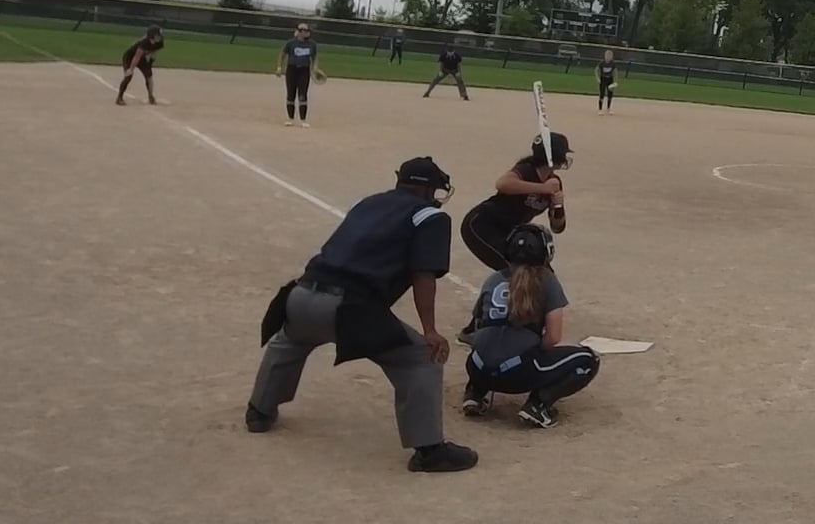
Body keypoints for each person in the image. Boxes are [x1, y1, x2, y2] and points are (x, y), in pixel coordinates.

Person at [245, 157, 479, 473]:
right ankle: (430, 451)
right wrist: (430, 330)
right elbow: (423, 275)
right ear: (429, 189)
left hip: (299, 295)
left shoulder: (367, 203)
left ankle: (258, 411)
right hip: (348, 309)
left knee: (289, 341)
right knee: (420, 358)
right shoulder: (429, 216)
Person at [462, 223, 601, 429]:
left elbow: (476, 328)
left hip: (476, 368)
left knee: (490, 347)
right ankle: (538, 406)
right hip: (517, 375)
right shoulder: (547, 281)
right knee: (588, 360)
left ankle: (474, 392)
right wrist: (531, 349)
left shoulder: (493, 279)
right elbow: (553, 338)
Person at [458, 134, 572, 338]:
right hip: (482, 225)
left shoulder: (554, 182)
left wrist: (558, 205)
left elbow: (558, 227)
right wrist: (542, 188)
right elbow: (503, 184)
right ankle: (474, 328)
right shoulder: (526, 170)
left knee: (542, 272)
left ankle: (532, 321)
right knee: (514, 271)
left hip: (511, 233)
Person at [275, 22, 327, 127]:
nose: (308, 33)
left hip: (304, 70)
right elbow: (283, 54)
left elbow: (315, 56)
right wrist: (279, 67)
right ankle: (290, 118)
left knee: (303, 94)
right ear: (300, 32)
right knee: (291, 93)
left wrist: (315, 67)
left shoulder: (312, 44)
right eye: (305, 31)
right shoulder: (291, 43)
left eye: (308, 31)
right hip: (292, 69)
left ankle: (303, 120)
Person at [116, 25, 164, 106]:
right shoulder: (144, 42)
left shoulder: (160, 42)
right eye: (157, 35)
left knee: (149, 76)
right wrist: (131, 69)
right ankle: (119, 98)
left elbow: (154, 52)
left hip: (142, 58)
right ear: (152, 36)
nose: (160, 37)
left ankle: (150, 96)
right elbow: (136, 56)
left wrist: (150, 63)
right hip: (129, 57)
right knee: (128, 76)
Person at [595, 49, 618, 113]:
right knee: (602, 94)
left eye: (610, 56)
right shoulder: (602, 63)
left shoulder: (613, 63)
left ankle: (608, 109)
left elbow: (615, 71)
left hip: (610, 79)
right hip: (603, 79)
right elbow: (596, 70)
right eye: (607, 56)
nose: (608, 57)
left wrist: (615, 81)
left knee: (610, 94)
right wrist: (597, 78)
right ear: (605, 56)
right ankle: (600, 109)